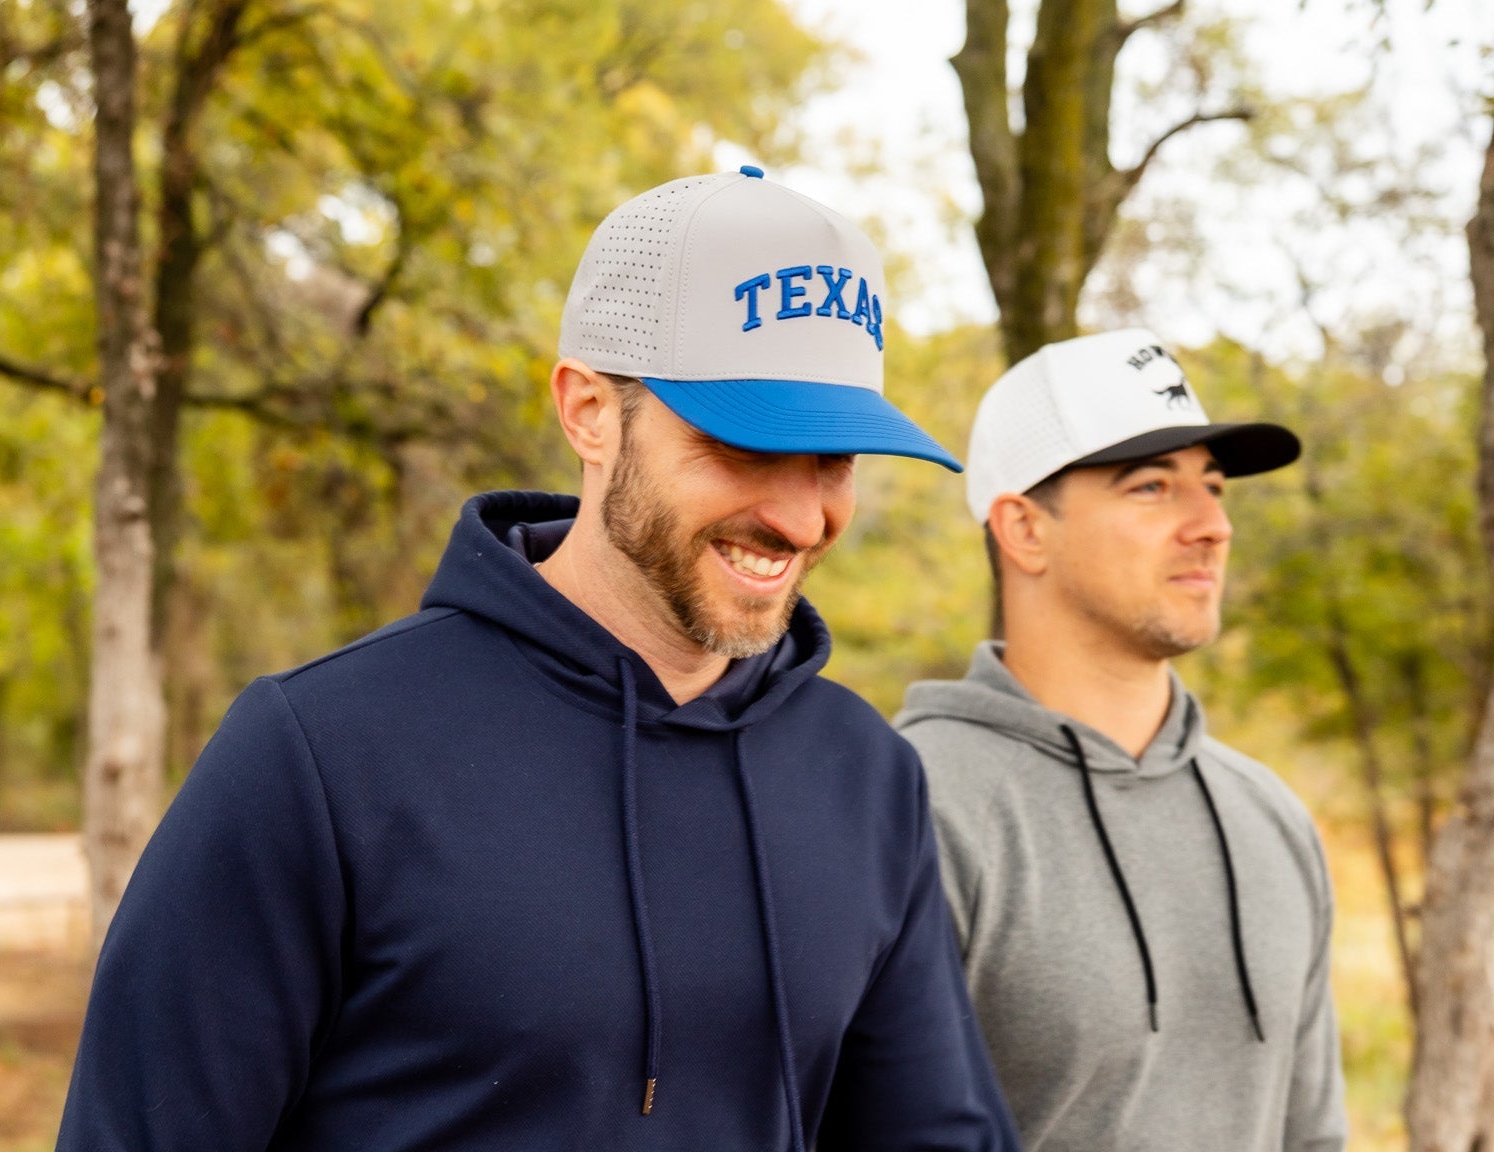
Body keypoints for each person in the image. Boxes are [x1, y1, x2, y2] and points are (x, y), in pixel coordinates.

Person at [57, 167, 1018, 1152]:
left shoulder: (863, 777)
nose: (800, 513)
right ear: (589, 411)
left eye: (834, 458)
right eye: (745, 441)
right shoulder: (320, 755)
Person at [896, 328, 1347, 1151]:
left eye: (1213, 488)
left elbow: (1312, 1136)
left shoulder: (1269, 813)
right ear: (1024, 529)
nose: (1212, 525)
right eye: (1151, 487)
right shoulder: (913, 805)